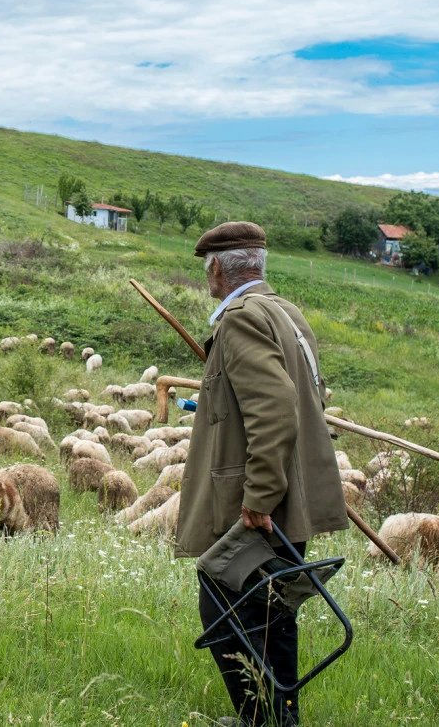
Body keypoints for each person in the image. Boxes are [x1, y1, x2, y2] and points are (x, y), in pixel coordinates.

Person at [176, 221, 349, 727]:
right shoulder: (286, 312)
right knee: (273, 613)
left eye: (206, 269)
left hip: (256, 508)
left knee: (228, 612)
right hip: (293, 500)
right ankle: (278, 720)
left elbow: (274, 408)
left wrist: (259, 499)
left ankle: (261, 719)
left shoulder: (240, 320)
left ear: (216, 269)